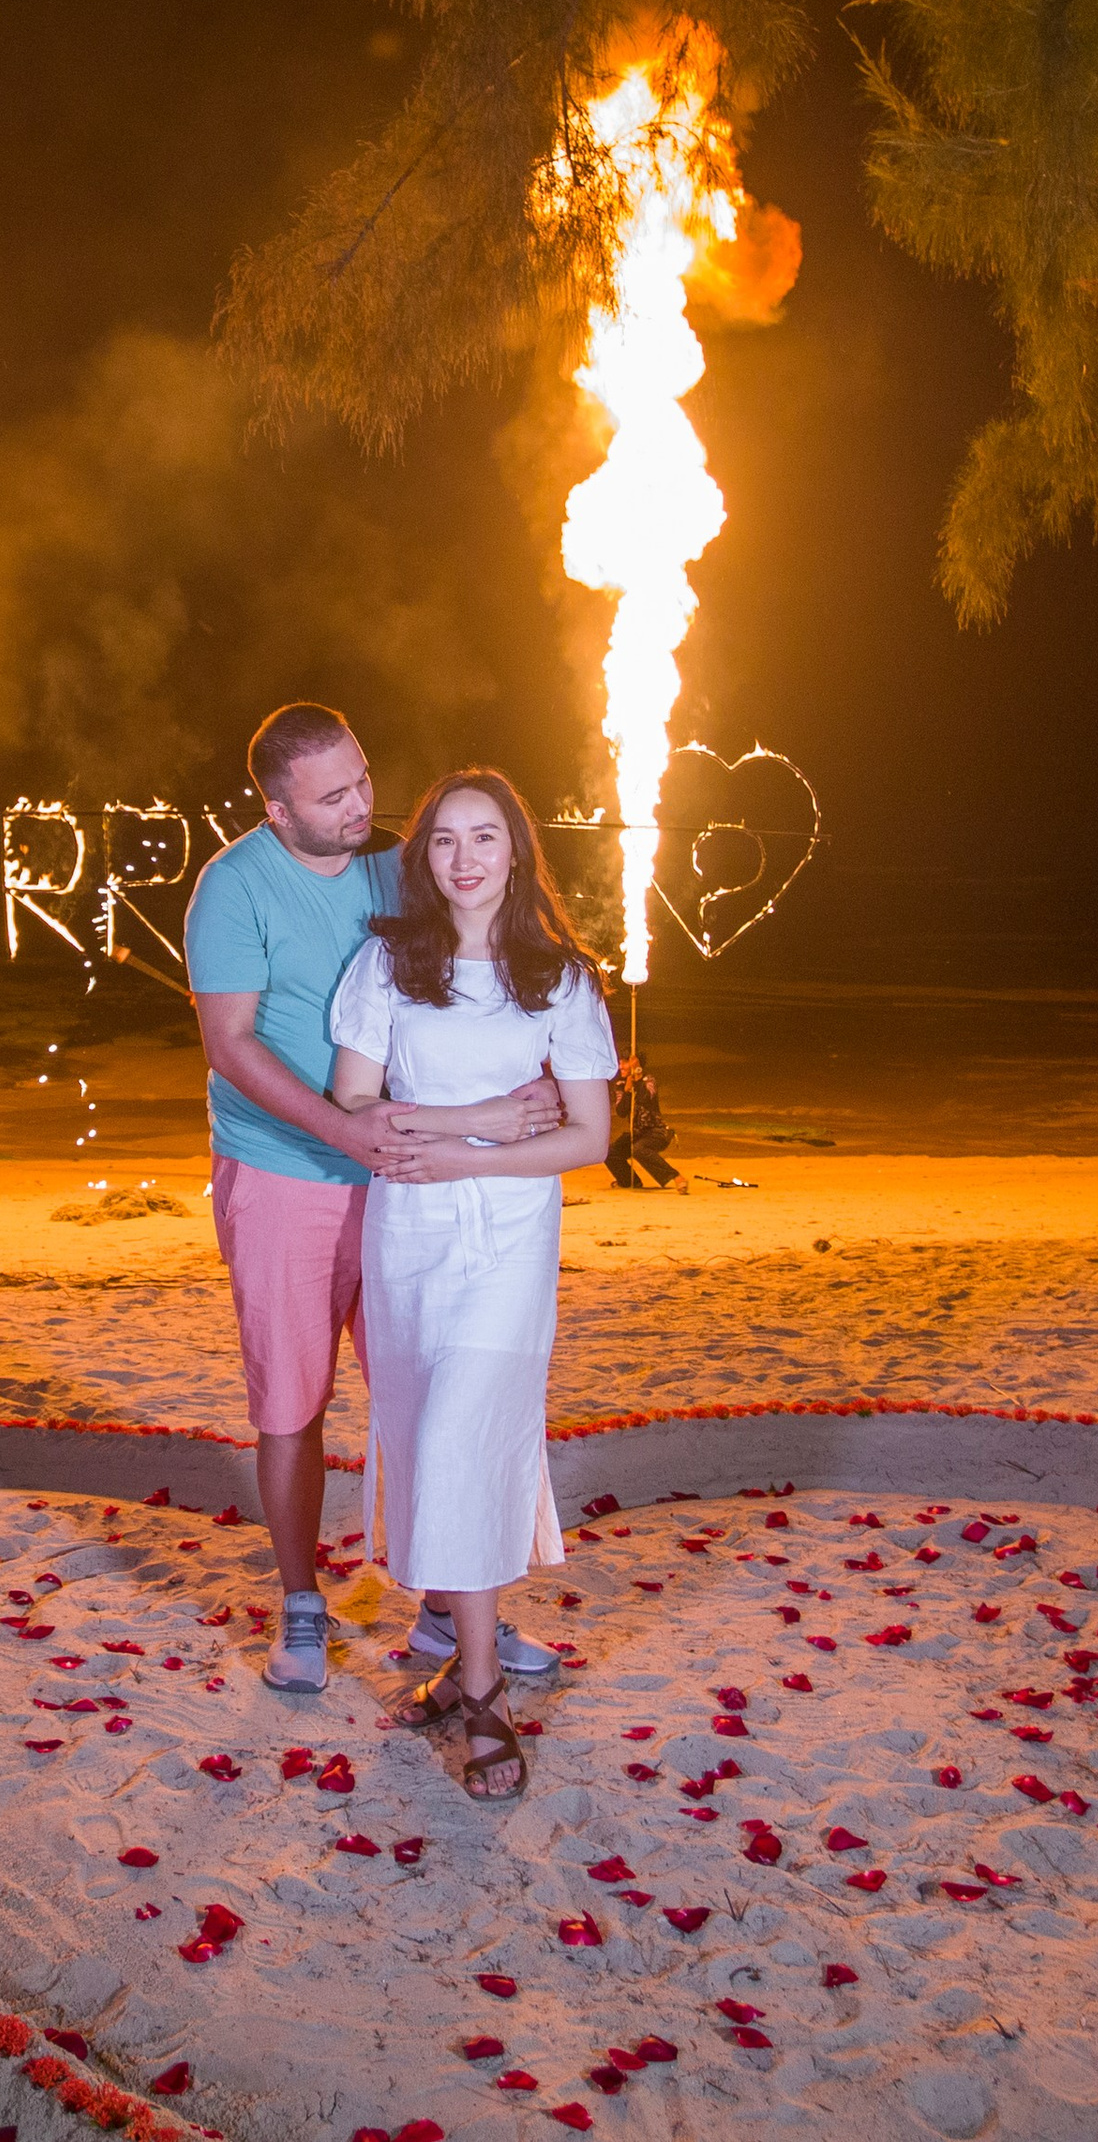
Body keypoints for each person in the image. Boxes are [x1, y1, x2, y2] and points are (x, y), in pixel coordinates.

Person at [186, 704, 564, 1696]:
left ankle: (448, 1611)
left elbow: (475, 968)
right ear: (278, 810)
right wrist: (339, 1127)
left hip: (405, 1176)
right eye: (333, 796)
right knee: (291, 1402)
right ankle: (302, 1604)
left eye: (362, 779)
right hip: (284, 1175)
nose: (361, 805)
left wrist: (532, 1079)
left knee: (426, 1391)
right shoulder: (232, 887)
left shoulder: (393, 865)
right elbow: (230, 1043)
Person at [329, 768, 617, 1800]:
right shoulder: (386, 963)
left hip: (509, 1242)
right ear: (424, 858)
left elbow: (589, 1135)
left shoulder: (560, 978)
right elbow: (354, 1105)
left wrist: (467, 1155)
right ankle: (461, 1662)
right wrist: (484, 1120)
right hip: (409, 1234)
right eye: (444, 839)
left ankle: (483, 1685)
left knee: (465, 1431)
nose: (464, 857)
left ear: (516, 852)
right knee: (426, 1433)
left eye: (484, 836)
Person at [605, 1052, 684, 1190]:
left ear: (635, 1063)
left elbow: (645, 1099)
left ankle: (676, 1177)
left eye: (624, 1063)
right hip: (637, 1133)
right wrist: (627, 1091)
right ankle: (629, 1182)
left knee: (639, 1149)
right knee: (609, 1152)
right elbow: (621, 1112)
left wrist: (638, 1077)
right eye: (620, 1062)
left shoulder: (649, 1080)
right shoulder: (621, 1084)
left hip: (657, 1132)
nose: (620, 1066)